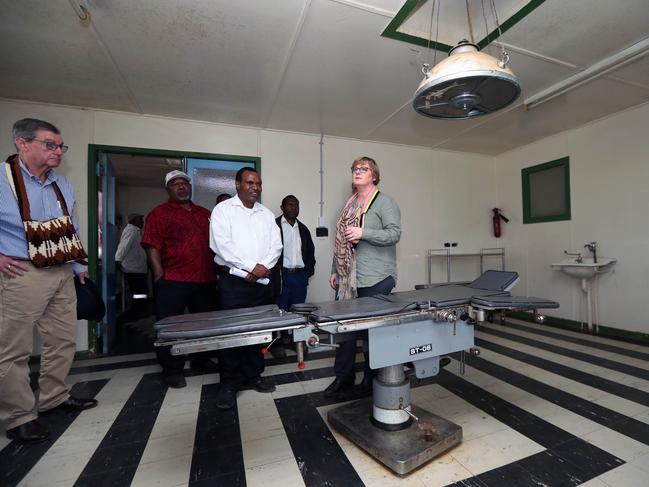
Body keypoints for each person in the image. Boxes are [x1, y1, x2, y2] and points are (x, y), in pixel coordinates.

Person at [0, 118, 98, 443]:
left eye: (60, 146)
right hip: (21, 272)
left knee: (62, 339)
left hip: (61, 270)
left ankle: (53, 398)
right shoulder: (3, 180)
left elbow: (70, 227)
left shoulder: (61, 183)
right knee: (13, 350)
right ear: (22, 144)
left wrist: (78, 266)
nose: (57, 151)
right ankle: (18, 417)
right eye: (49, 145)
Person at [325, 156, 401, 398]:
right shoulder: (347, 206)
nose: (358, 172)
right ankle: (343, 378)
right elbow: (341, 242)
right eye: (355, 168)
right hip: (348, 278)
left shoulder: (384, 203)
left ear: (374, 175)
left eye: (363, 169)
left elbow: (394, 234)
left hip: (376, 277)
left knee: (372, 332)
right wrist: (335, 270)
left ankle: (371, 377)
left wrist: (363, 232)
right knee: (344, 330)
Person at [209, 167, 283, 409]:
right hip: (233, 283)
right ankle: (229, 384)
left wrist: (262, 268)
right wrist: (252, 267)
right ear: (237, 185)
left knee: (258, 333)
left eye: (258, 184)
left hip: (261, 284)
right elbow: (222, 246)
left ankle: (254, 376)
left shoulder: (266, 214)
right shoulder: (223, 211)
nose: (255, 188)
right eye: (250, 183)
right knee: (232, 334)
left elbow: (276, 246)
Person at [141, 170, 219, 388]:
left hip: (205, 279)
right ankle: (171, 369)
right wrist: (158, 275)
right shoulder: (159, 213)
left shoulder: (205, 213)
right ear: (168, 189)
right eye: (175, 184)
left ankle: (200, 360)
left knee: (204, 326)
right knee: (170, 327)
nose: (181, 187)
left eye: (185, 183)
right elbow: (151, 245)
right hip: (173, 279)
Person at [271, 195, 316, 357]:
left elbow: (310, 252)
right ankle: (277, 343)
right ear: (282, 207)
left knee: (298, 310)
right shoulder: (274, 225)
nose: (293, 208)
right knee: (280, 310)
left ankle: (296, 340)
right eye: (289, 205)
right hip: (281, 275)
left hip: (299, 276)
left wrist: (307, 272)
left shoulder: (303, 229)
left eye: (296, 205)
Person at [115, 213, 148, 318]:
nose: (142, 222)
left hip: (138, 268)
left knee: (140, 291)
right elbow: (123, 246)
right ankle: (136, 312)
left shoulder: (136, 231)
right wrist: (118, 260)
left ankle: (139, 310)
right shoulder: (131, 230)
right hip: (133, 268)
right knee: (138, 292)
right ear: (133, 221)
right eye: (140, 220)